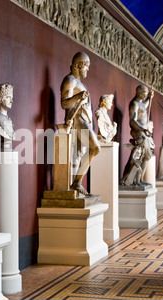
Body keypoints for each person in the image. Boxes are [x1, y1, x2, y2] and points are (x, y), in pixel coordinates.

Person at [60, 51, 100, 196]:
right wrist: (77, 96)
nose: (88, 70)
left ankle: (76, 183)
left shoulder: (80, 83)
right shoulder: (70, 80)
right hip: (77, 120)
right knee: (95, 148)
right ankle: (76, 182)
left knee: (78, 156)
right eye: (86, 66)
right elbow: (64, 104)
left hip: (85, 121)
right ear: (79, 65)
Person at [124, 84, 154, 185]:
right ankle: (130, 180)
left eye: (146, 93)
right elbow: (132, 121)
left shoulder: (141, 104)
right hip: (138, 132)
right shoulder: (134, 104)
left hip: (144, 132)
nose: (145, 95)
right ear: (139, 92)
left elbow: (144, 107)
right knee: (138, 157)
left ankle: (139, 179)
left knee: (147, 156)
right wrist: (143, 129)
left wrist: (150, 98)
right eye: (144, 93)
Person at [0, 83, 15, 151]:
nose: (11, 101)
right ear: (0, 99)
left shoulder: (9, 120)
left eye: (11, 98)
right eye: (8, 97)